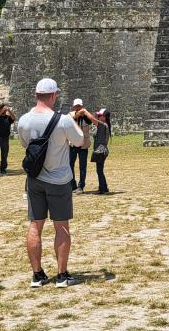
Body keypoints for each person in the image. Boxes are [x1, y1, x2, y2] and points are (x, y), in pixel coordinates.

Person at [16, 77, 84, 287]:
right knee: (61, 226)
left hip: (35, 178)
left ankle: (37, 274)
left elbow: (24, 144)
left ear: (36, 95)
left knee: (35, 225)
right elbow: (80, 140)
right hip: (59, 179)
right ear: (54, 95)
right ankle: (62, 275)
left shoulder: (24, 120)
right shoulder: (62, 120)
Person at [70, 97, 98, 192]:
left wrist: (85, 112)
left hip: (83, 145)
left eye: (79, 106)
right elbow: (71, 120)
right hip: (73, 144)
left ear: (82, 106)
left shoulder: (86, 116)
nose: (77, 108)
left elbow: (92, 121)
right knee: (70, 165)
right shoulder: (70, 115)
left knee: (82, 166)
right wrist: (77, 115)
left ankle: (81, 186)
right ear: (73, 107)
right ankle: (72, 184)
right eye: (76, 106)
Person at [92, 108, 111, 194]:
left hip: (101, 150)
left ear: (104, 117)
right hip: (101, 150)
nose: (98, 117)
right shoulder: (104, 125)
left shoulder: (103, 125)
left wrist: (84, 112)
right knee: (99, 170)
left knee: (99, 170)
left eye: (100, 115)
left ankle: (103, 188)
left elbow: (92, 119)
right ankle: (102, 187)